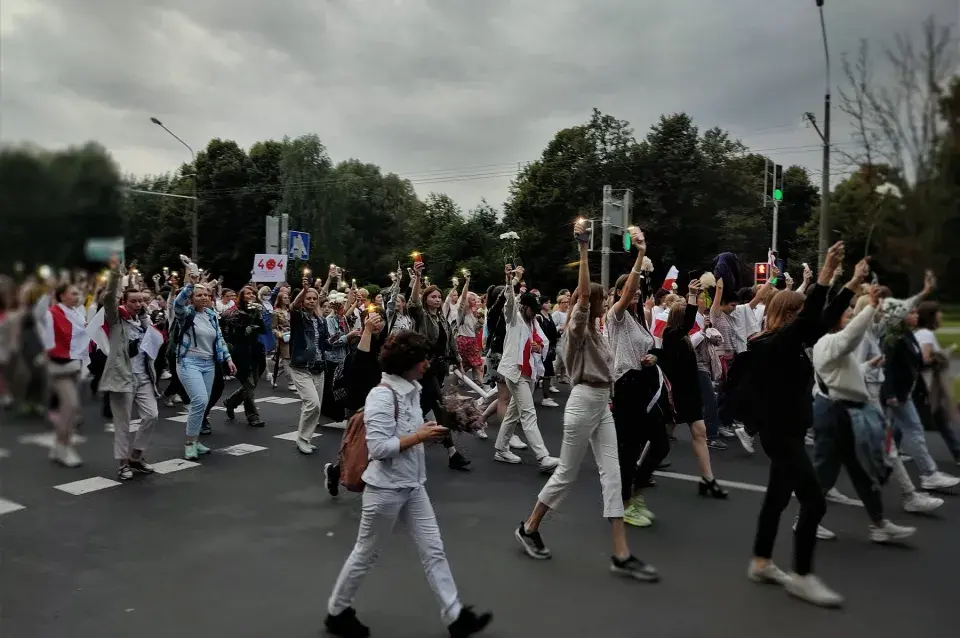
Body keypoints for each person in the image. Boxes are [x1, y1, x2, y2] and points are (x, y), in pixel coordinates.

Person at [514, 221, 658, 582]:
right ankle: (530, 527)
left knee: (612, 477)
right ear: (591, 302)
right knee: (566, 473)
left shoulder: (604, 326)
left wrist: (641, 254)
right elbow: (584, 295)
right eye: (601, 298)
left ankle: (622, 554)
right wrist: (583, 248)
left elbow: (628, 295)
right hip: (581, 403)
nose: (608, 300)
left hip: (601, 405)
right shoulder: (579, 328)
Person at [325, 331, 492, 638]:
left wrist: (427, 429)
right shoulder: (382, 395)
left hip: (414, 485)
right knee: (366, 553)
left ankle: (455, 615)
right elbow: (379, 448)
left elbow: (406, 433)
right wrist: (420, 436)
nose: (427, 364)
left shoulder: (412, 390)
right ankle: (337, 611)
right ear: (406, 363)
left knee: (434, 550)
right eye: (422, 359)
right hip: (385, 491)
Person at [744, 241, 851, 608]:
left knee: (776, 499)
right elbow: (811, 320)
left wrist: (848, 284)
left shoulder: (789, 340)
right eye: (800, 312)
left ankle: (761, 562)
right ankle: (802, 577)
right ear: (789, 315)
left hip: (787, 431)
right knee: (815, 504)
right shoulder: (773, 344)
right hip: (781, 435)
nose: (806, 317)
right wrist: (823, 276)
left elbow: (821, 320)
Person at [99, 257, 161, 481]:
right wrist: (116, 275)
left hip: (144, 377)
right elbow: (108, 298)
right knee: (123, 424)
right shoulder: (116, 321)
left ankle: (136, 456)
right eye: (133, 301)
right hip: (122, 378)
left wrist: (147, 322)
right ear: (124, 302)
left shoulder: (144, 322)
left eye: (141, 301)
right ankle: (123, 463)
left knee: (151, 415)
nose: (138, 304)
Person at [492, 264, 558, 472]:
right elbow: (509, 302)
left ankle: (501, 449)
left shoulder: (533, 322)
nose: (535, 313)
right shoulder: (514, 318)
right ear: (524, 306)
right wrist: (513, 280)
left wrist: (538, 347)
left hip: (528, 371)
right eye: (532, 309)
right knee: (528, 413)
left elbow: (542, 342)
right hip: (516, 371)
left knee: (513, 413)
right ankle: (543, 456)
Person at [173, 265, 236, 460]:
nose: (204, 298)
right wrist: (189, 286)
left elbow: (219, 338)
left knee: (202, 403)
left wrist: (228, 358)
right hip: (188, 362)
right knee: (199, 400)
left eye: (206, 295)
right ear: (192, 298)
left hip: (208, 364)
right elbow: (177, 304)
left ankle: (196, 440)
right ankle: (190, 443)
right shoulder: (186, 314)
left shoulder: (210, 315)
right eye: (199, 295)